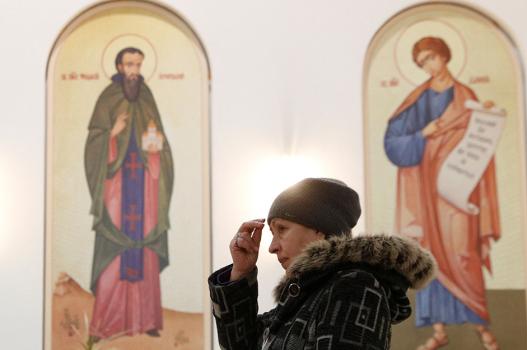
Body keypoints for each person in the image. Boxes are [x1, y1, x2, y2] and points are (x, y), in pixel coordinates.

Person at [208, 178, 436, 349]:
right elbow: (241, 346)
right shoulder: (304, 297)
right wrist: (241, 272)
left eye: (282, 230)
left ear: (319, 229)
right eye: (272, 233)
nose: (272, 246)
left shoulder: (354, 287)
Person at [383, 37, 501, 350]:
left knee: (463, 253)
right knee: (430, 254)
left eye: (431, 58)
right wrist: (423, 134)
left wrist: (487, 118)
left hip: (459, 191)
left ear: (445, 57)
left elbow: (480, 141)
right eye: (422, 62)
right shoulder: (417, 99)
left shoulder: (466, 96)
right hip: (425, 193)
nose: (428, 66)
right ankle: (439, 332)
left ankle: (482, 329)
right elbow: (393, 142)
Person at [84, 47, 174, 341]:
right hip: (116, 189)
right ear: (119, 66)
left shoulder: (146, 97)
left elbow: (161, 143)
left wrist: (156, 150)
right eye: (129, 64)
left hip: (145, 189)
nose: (134, 69)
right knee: (115, 253)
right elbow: (94, 143)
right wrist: (112, 133)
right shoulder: (107, 98)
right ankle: (106, 325)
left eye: (138, 64)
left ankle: (146, 320)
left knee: (143, 251)